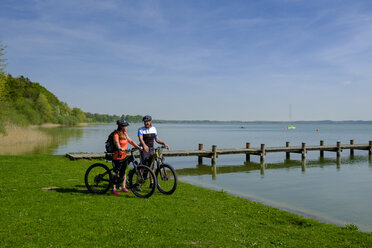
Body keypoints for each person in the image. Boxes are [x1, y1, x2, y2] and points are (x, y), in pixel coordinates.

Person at [112, 119, 142, 195]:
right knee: (116, 172)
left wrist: (138, 146)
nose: (127, 127)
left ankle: (123, 187)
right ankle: (114, 188)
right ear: (122, 127)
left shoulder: (125, 134)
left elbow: (130, 141)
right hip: (117, 156)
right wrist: (119, 148)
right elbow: (116, 142)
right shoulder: (116, 134)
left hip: (124, 155)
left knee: (123, 171)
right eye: (125, 126)